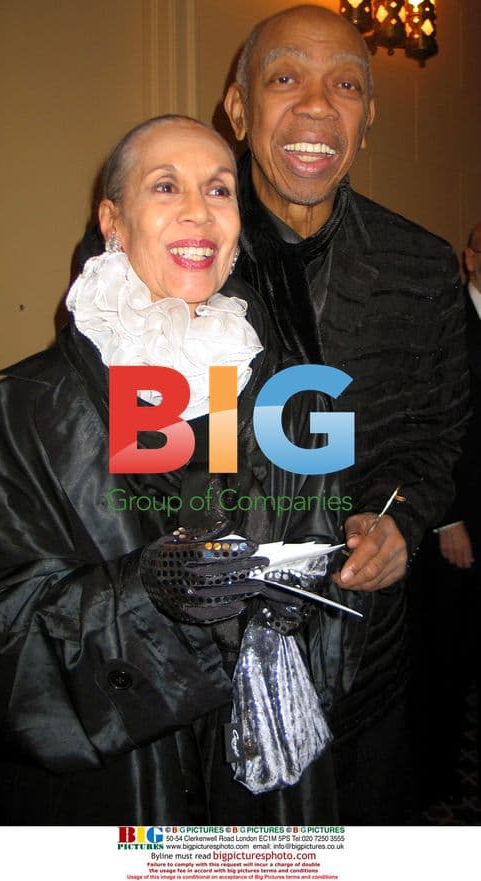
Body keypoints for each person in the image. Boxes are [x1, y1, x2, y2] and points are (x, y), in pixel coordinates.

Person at [0, 114, 349, 825]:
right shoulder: (25, 409)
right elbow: (0, 647)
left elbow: (328, 579)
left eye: (218, 189)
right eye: (165, 185)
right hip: (113, 796)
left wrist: (303, 602)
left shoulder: (286, 391)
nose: (197, 211)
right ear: (112, 220)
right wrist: (148, 602)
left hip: (265, 791)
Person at [220, 4, 469, 822]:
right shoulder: (164, 261)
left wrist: (399, 522)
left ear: (367, 119)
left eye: (346, 85)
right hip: (208, 666)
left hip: (367, 652)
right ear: (240, 108)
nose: (318, 106)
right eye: (286, 77)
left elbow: (440, 433)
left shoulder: (422, 266)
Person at [408, 222, 481, 809]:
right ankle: (434, 779)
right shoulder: (444, 317)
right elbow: (427, 424)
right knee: (444, 654)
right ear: (470, 257)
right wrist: (445, 519)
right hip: (453, 518)